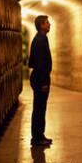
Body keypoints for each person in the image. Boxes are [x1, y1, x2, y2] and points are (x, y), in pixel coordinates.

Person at [27, 15, 53, 147]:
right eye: (47, 23)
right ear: (41, 25)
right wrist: (44, 82)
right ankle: (37, 138)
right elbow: (41, 63)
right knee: (39, 108)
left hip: (39, 76)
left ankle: (40, 135)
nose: (49, 24)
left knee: (41, 108)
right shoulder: (40, 40)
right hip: (39, 78)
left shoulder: (42, 38)